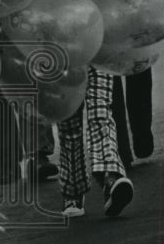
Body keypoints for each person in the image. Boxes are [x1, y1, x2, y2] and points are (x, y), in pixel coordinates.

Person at [57, 68, 134, 218]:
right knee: (68, 126)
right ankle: (73, 191)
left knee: (101, 114)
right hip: (61, 56)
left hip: (98, 53)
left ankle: (111, 178)